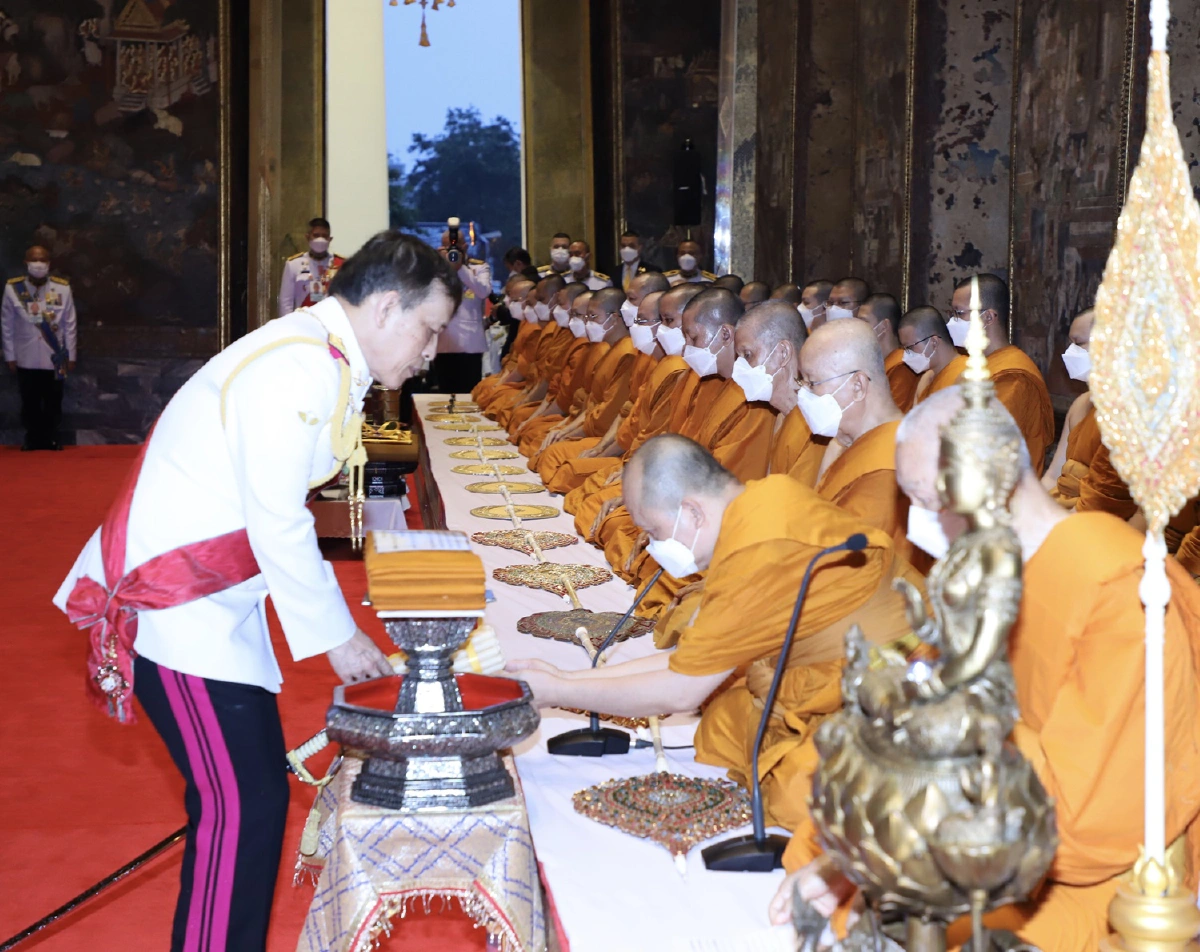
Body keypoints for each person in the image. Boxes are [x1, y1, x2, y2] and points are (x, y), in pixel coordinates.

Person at [53, 232, 460, 952]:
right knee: (240, 808)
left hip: (212, 606)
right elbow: (277, 517)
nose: (430, 352)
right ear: (390, 307)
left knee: (250, 804)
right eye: (428, 330)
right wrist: (339, 638)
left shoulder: (319, 356)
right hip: (174, 608)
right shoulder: (297, 365)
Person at [772, 386, 1200, 952]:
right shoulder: (982, 574)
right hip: (964, 830)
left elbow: (1088, 820)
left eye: (926, 501)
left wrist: (894, 841)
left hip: (1078, 877)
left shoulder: (1119, 589)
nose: (918, 525)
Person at [508, 434, 921, 831]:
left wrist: (556, 692)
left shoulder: (757, 549)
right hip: (832, 668)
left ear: (692, 512)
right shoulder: (764, 497)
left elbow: (682, 689)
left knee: (803, 792)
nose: (653, 548)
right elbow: (687, 659)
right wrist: (563, 678)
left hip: (902, 680)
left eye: (653, 532)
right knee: (724, 723)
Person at [798, 319, 916, 565]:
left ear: (858, 386)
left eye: (812, 383)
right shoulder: (851, 445)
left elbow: (846, 570)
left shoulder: (891, 467)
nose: (804, 395)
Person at [947, 274, 1054, 473]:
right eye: (952, 313)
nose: (953, 322)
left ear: (988, 317)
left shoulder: (1012, 376)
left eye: (959, 313)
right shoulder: (979, 365)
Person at [3, 244, 77, 451]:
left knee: (54, 398)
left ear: (49, 264)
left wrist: (71, 355)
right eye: (34, 260)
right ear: (26, 263)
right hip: (25, 354)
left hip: (54, 355)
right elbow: (7, 325)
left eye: (42, 260)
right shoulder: (13, 289)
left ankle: (51, 437)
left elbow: (69, 324)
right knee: (30, 399)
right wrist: (10, 355)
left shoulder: (62, 288)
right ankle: (32, 438)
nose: (38, 264)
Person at [1042, 308, 1099, 507]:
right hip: (1063, 510)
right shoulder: (1080, 405)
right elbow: (1053, 476)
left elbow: (1113, 495)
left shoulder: (1128, 412)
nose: (1069, 353)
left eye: (1079, 344)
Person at [432, 226, 492, 396]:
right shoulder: (435, 271)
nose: (452, 251)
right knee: (446, 394)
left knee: (469, 394)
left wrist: (460, 268)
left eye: (455, 246)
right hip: (444, 341)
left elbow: (483, 291)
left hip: (470, 343)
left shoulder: (479, 268)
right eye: (447, 247)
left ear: (465, 247)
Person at [856, 292, 918, 411]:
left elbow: (892, 415)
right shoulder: (874, 363)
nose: (857, 328)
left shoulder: (902, 366)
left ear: (883, 326)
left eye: (863, 322)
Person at [278, 217, 345, 317]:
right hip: (304, 322)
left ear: (330, 239)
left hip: (331, 322)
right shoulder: (294, 264)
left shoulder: (340, 264)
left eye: (324, 236)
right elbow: (286, 302)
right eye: (316, 235)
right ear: (308, 237)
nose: (320, 239)